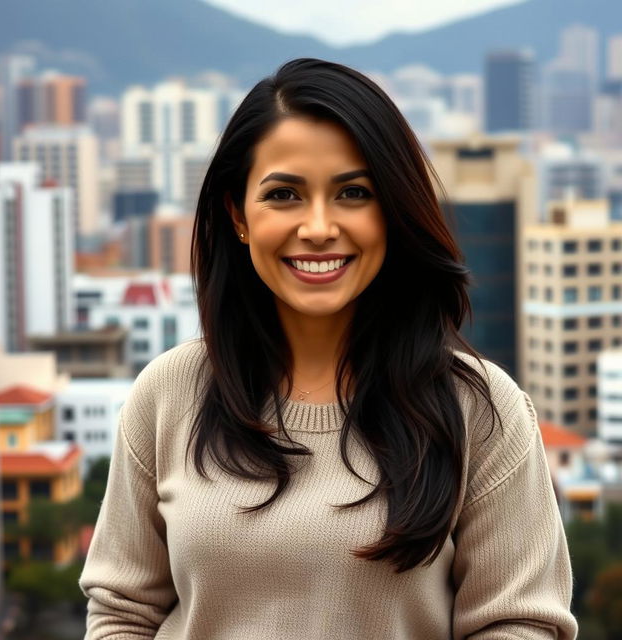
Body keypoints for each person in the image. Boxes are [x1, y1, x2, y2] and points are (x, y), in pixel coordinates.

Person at [79, 58, 578, 639]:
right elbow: (122, 613)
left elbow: (519, 624)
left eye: (353, 192)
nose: (318, 227)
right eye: (284, 194)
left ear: (392, 211)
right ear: (238, 215)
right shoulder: (168, 393)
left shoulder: (482, 409)